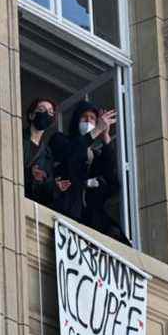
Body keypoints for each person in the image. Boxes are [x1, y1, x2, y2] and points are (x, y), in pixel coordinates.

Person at [51, 101, 127, 243]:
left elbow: (113, 184)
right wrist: (95, 130)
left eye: (92, 118)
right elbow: (71, 156)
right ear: (76, 121)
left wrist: (105, 138)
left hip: (92, 219)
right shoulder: (60, 140)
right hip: (68, 210)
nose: (88, 121)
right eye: (84, 117)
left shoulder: (95, 155)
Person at [23, 98, 70, 207]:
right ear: (31, 115)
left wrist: (55, 187)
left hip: (30, 204)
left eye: (50, 112)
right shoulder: (18, 138)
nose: (45, 114)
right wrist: (29, 173)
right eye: (41, 109)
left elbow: (44, 193)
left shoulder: (47, 153)